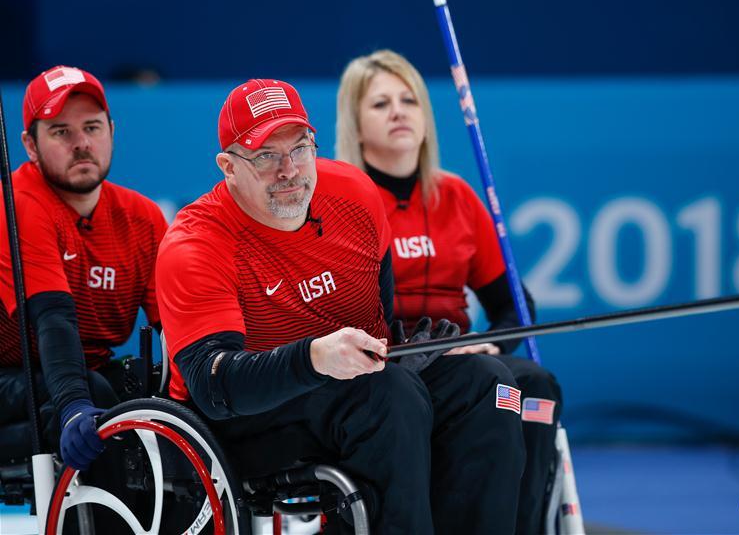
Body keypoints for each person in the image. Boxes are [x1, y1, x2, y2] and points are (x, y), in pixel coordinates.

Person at [155, 77, 525, 534]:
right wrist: (313, 358)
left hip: (354, 391)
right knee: (387, 396)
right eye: (267, 156)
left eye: (299, 149)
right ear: (228, 167)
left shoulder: (356, 194)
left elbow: (382, 325)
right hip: (244, 420)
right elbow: (215, 390)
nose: (289, 170)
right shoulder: (196, 243)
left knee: (487, 383)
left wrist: (419, 356)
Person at [336, 49, 564, 535]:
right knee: (484, 379)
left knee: (534, 386)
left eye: (409, 100)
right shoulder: (344, 201)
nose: (399, 111)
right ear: (355, 126)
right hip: (388, 360)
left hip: (462, 355)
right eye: (380, 104)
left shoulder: (456, 196)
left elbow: (514, 305)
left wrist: (493, 342)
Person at [0, 66, 168, 523]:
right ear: (30, 146)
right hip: (10, 374)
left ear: (111, 131)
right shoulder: (18, 203)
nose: (81, 143)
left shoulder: (142, 217)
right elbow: (53, 321)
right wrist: (76, 406)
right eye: (61, 131)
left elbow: (176, 327)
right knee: (93, 398)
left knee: (153, 397)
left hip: (83, 374)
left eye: (92, 127)